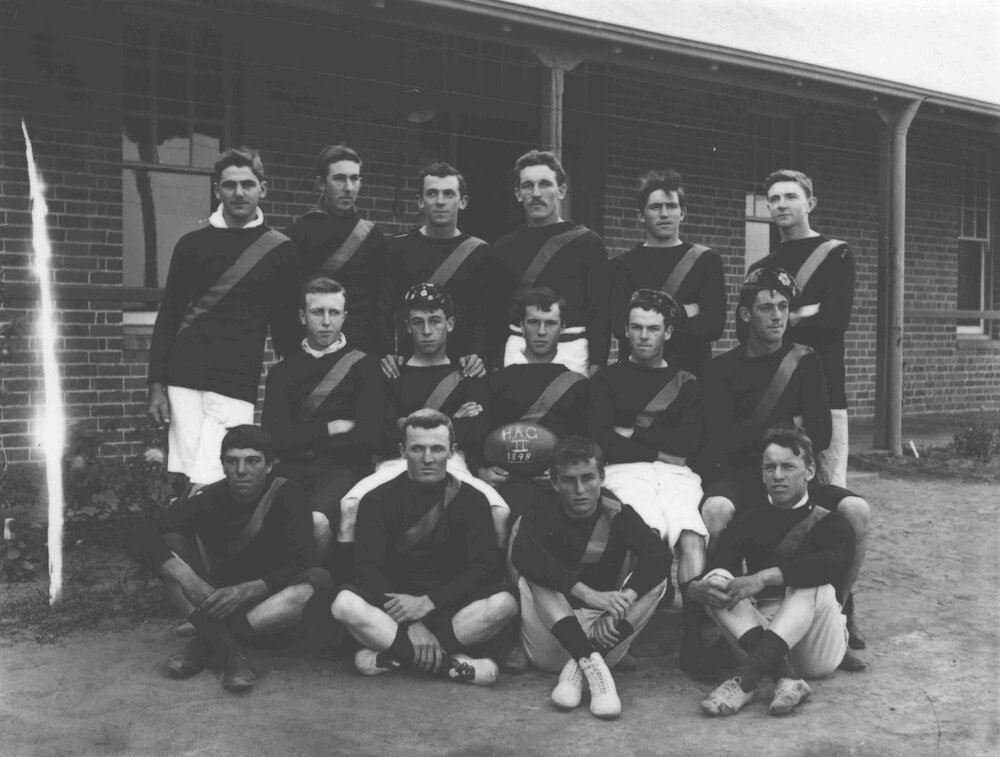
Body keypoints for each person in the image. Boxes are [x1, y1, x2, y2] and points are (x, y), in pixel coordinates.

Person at [701, 268, 869, 664]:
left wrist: (757, 435)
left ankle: (840, 616)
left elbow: (822, 435)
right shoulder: (721, 370)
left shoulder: (806, 363)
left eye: (782, 307)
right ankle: (710, 622)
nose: (776, 316)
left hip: (796, 478)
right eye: (765, 308)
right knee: (716, 510)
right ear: (746, 315)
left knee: (857, 511)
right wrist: (787, 426)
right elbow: (721, 441)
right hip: (743, 476)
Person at [124, 426, 332, 693]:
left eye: (252, 461)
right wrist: (185, 576)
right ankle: (233, 654)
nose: (241, 470)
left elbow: (301, 562)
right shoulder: (211, 498)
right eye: (232, 461)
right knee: (168, 554)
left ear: (269, 466)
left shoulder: (289, 495)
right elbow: (138, 534)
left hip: (268, 603)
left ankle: (207, 642)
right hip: (217, 599)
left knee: (314, 585)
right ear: (222, 465)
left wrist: (246, 590)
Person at [147, 148, 300, 488]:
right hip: (184, 374)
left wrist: (301, 378)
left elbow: (286, 325)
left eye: (248, 184)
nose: (239, 192)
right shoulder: (191, 245)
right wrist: (155, 384)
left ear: (263, 188)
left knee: (223, 477)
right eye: (230, 185)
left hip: (236, 379)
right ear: (217, 190)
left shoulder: (281, 249)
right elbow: (169, 314)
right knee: (186, 475)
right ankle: (183, 540)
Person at [331, 410, 519, 685]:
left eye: (437, 449)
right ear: (402, 451)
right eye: (417, 449)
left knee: (506, 601)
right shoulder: (377, 500)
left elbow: (484, 568)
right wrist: (412, 622)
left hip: (451, 610)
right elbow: (367, 569)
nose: (428, 458)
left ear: (452, 452)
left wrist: (429, 603)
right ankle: (448, 665)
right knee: (344, 604)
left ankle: (395, 657)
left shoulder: (473, 500)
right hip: (394, 612)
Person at [689, 428, 857, 717]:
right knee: (716, 581)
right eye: (770, 467)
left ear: (810, 470)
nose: (778, 475)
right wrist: (695, 588)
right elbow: (723, 571)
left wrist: (763, 577)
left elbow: (832, 565)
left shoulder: (832, 522)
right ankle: (786, 678)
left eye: (788, 466)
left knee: (813, 581)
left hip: (816, 646)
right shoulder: (747, 520)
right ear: (762, 473)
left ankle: (746, 679)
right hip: (759, 632)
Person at [588, 288, 708, 672]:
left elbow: (689, 443)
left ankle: (693, 635)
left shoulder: (687, 381)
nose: (644, 337)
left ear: (668, 333)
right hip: (625, 473)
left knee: (690, 535)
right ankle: (624, 633)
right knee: (648, 534)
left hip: (677, 474)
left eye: (653, 329)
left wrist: (631, 436)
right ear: (625, 330)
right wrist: (658, 444)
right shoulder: (606, 380)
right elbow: (602, 440)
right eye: (636, 328)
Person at [509, 436, 671, 719]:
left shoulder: (617, 511)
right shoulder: (542, 509)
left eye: (588, 478)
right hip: (552, 633)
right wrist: (587, 593)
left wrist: (623, 602)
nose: (580, 490)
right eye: (570, 481)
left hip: (605, 635)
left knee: (657, 580)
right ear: (556, 483)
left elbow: (659, 556)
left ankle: (585, 661)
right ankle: (593, 665)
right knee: (534, 574)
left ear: (602, 478)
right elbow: (523, 555)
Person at [337, 284, 509, 550]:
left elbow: (477, 433)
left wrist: (404, 423)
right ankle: (351, 586)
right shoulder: (390, 374)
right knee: (350, 505)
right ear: (407, 326)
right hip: (395, 464)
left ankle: (493, 587)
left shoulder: (468, 374)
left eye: (435, 321)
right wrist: (451, 420)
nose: (426, 331)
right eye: (418, 322)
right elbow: (378, 435)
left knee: (499, 511)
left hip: (452, 463)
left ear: (449, 324)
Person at [261, 277, 383, 574]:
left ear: (344, 316)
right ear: (303, 316)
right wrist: (329, 428)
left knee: (313, 521)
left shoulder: (365, 367)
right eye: (317, 313)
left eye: (334, 313)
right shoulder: (282, 373)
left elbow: (369, 437)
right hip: (290, 470)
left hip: (342, 471)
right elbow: (274, 439)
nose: (326, 322)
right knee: (261, 519)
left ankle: (304, 591)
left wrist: (301, 437)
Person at [748, 169, 856, 490]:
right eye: (774, 199)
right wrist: (806, 312)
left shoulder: (837, 253)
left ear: (810, 203)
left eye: (791, 196)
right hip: (776, 394)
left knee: (829, 484)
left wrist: (780, 318)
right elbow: (748, 332)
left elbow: (835, 321)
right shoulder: (760, 268)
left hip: (827, 387)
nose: (782, 204)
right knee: (780, 485)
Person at [489, 150, 609, 376]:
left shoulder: (589, 244)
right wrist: (495, 366)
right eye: (527, 186)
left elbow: (600, 313)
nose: (536, 193)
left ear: (561, 191)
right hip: (518, 353)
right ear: (517, 193)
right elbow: (496, 316)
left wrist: (597, 366)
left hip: (571, 354)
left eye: (545, 184)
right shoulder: (503, 248)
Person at [479, 288, 589, 523]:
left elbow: (587, 441)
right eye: (533, 322)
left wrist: (563, 472)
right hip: (509, 482)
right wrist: (482, 471)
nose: (541, 332)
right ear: (521, 325)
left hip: (560, 483)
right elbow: (481, 438)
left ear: (562, 327)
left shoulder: (579, 386)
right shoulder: (495, 382)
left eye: (550, 323)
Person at [609, 170, 725, 377]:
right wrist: (684, 311)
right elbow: (620, 327)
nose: (664, 214)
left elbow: (713, 326)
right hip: (636, 376)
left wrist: (647, 326)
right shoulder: (622, 265)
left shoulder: (706, 260)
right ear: (640, 215)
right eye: (655, 207)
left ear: (682, 213)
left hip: (690, 375)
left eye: (671, 206)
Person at [382, 163, 489, 380]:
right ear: (420, 201)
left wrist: (480, 354)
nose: (440, 201)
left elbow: (485, 313)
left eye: (449, 194)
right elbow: (382, 310)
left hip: (462, 370)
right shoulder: (396, 249)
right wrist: (385, 353)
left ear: (463, 201)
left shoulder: (479, 252)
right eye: (432, 193)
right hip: (407, 367)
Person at [286, 144, 392, 356]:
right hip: (311, 355)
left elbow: (382, 307)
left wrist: (382, 355)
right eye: (339, 178)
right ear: (321, 184)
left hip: (361, 356)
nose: (349, 187)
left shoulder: (372, 237)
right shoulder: (296, 236)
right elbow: (288, 304)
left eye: (355, 179)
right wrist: (292, 355)